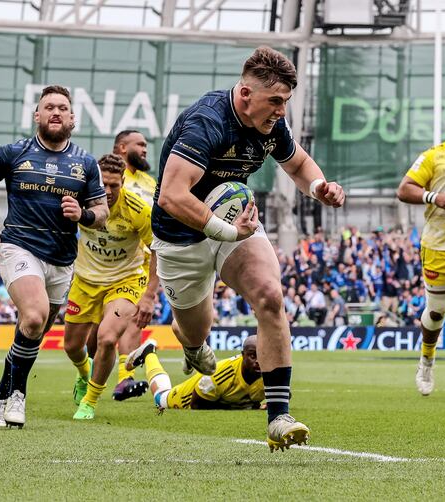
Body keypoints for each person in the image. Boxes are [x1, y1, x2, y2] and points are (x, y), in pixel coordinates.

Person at [151, 46, 344, 451]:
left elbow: (298, 164)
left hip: (236, 224)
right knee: (196, 330)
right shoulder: (206, 122)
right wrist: (223, 230)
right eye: (275, 101)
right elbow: (170, 195)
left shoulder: (272, 125)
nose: (281, 111)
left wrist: (318, 187)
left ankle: (278, 417)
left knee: (271, 297)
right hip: (181, 236)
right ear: (244, 95)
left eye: (286, 102)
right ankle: (191, 345)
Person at [0, 85, 108, 428]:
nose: (55, 112)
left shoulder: (86, 163)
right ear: (37, 115)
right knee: (34, 316)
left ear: (73, 118)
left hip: (62, 258)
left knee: (33, 330)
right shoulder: (14, 153)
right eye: (49, 107)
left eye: (62, 107)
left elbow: (102, 211)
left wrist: (83, 216)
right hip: (19, 246)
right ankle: (18, 395)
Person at [62, 153, 157, 420]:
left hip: (124, 280)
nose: (108, 190)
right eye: (103, 183)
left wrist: (150, 295)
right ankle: (84, 373)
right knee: (71, 347)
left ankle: (90, 402)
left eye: (114, 184)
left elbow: (158, 249)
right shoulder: (81, 200)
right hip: (85, 281)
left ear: (123, 181)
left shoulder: (139, 210)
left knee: (106, 338)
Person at [396, 106, 445, 398]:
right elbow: (404, 189)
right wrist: (433, 196)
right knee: (436, 314)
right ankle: (427, 359)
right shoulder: (434, 156)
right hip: (438, 245)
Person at [91, 130, 157, 401]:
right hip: (101, 261)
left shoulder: (150, 182)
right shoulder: (104, 177)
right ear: (121, 147)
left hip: (139, 263)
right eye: (139, 144)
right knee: (94, 332)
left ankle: (124, 379)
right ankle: (86, 375)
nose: (144, 149)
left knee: (133, 321)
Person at [126, 335, 264, 412]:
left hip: (212, 389)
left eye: (262, 355)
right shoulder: (223, 373)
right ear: (243, 355)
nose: (258, 361)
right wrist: (238, 407)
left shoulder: (269, 372)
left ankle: (191, 357)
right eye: (252, 356)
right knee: (160, 397)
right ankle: (149, 353)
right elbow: (197, 405)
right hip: (187, 397)